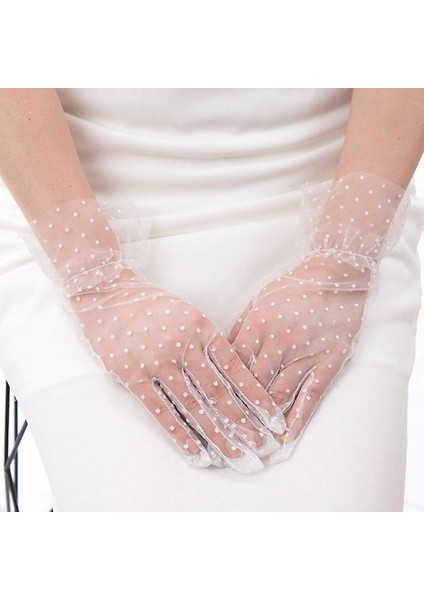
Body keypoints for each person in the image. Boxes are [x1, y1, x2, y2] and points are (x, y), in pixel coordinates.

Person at [0, 88, 423, 510]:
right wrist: (98, 281)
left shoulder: (347, 249)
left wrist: (341, 266)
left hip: (347, 190)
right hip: (69, 202)